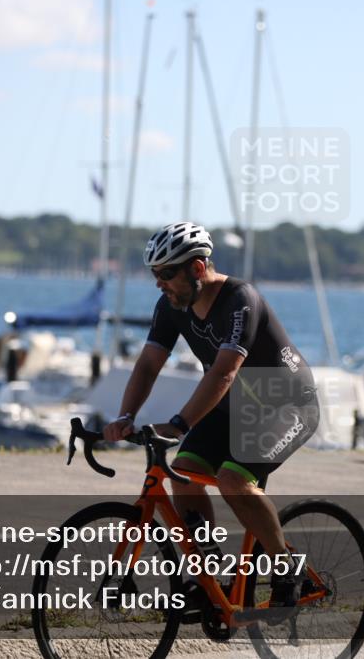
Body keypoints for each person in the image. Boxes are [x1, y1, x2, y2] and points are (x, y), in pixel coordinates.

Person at [104, 221, 319, 620]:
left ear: (198, 268)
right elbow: (149, 364)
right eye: (154, 274)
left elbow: (223, 372)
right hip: (231, 409)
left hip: (286, 406)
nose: (159, 283)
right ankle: (209, 576)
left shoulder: (240, 300)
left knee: (233, 480)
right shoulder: (171, 305)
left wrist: (179, 424)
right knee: (183, 471)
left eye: (167, 273)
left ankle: (286, 567)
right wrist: (125, 415)